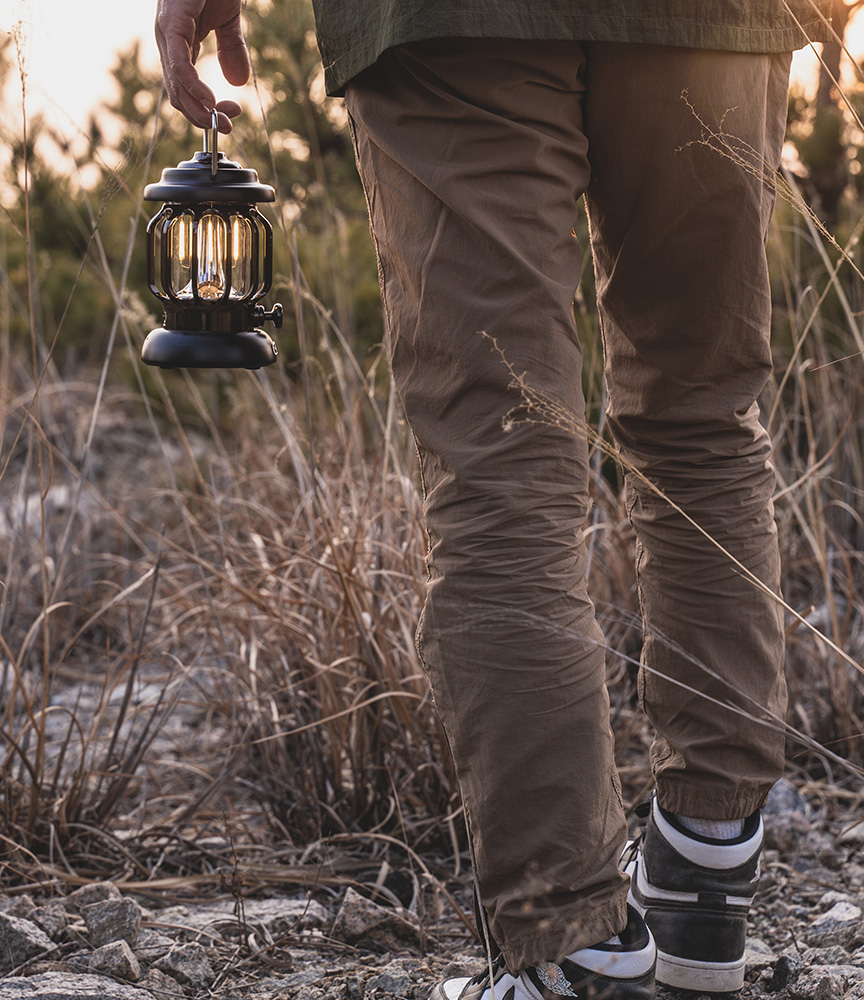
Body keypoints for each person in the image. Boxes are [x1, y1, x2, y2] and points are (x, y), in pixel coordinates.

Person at [153, 3, 833, 998]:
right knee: (702, 413)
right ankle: (704, 872)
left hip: (450, 21)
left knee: (501, 456)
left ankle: (575, 942)